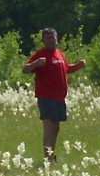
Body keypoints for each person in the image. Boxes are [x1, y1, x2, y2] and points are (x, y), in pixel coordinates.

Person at [21, 28, 85, 163]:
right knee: (49, 127)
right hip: (46, 97)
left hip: (59, 98)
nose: (51, 40)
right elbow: (25, 69)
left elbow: (67, 68)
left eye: (53, 37)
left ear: (57, 39)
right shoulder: (40, 54)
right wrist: (35, 64)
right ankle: (48, 158)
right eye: (48, 38)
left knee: (56, 128)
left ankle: (51, 155)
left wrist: (78, 66)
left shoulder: (60, 54)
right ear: (43, 40)